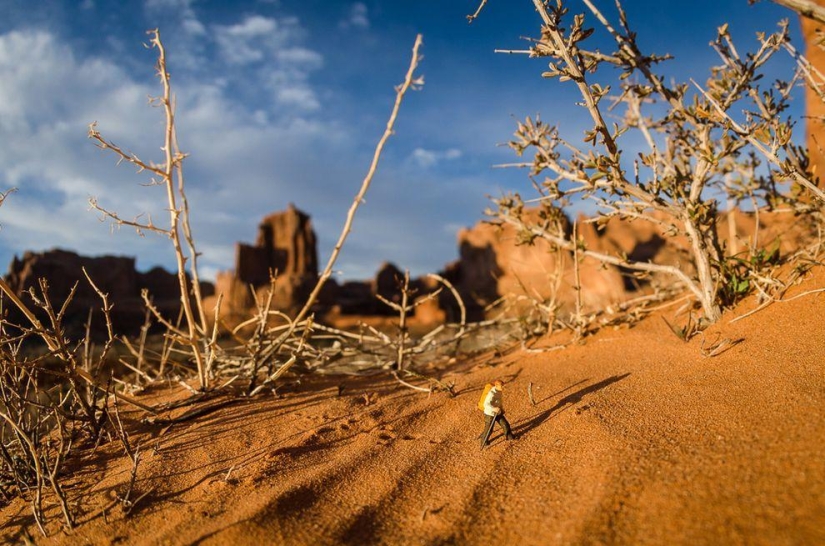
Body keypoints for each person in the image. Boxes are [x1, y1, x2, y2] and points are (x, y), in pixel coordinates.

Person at [480, 379, 515, 447]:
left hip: (498, 412)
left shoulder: (499, 391)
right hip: (490, 414)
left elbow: (499, 401)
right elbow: (486, 404)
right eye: (501, 386)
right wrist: (494, 409)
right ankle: (483, 441)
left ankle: (509, 436)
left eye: (503, 386)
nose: (503, 387)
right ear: (496, 386)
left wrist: (501, 409)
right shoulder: (491, 394)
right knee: (489, 429)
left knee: (505, 424)